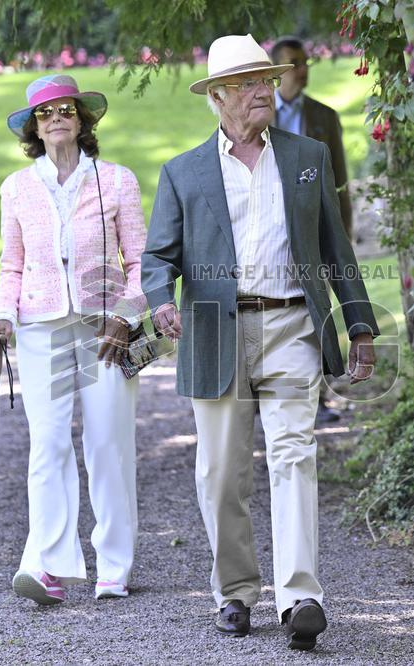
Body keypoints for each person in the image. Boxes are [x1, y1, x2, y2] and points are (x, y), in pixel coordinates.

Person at [141, 34, 378, 651]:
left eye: (267, 81)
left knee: (294, 454)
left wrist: (359, 322)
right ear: (217, 97)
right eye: (248, 84)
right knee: (222, 474)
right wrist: (162, 300)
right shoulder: (183, 171)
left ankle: (301, 596)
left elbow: (335, 245)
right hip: (216, 333)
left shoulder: (307, 155)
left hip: (294, 324)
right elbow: (157, 256)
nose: (263, 92)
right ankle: (236, 594)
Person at [0, 74, 147, 606]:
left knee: (107, 444)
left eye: (66, 110)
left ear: (82, 120)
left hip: (106, 330)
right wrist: (1, 313)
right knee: (48, 445)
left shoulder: (116, 180)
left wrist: (127, 313)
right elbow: (12, 264)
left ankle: (114, 566)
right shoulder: (17, 187)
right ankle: (49, 565)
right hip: (40, 327)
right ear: (35, 126)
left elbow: (140, 262)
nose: (57, 119)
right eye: (46, 112)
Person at [271, 36, 356, 424]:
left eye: (306, 61)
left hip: (315, 228)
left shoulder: (325, 117)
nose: (303, 68)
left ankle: (317, 397)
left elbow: (339, 184)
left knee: (316, 309)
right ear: (277, 71)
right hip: (269, 229)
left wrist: (344, 234)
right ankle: (266, 393)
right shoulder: (256, 114)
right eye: (295, 62)